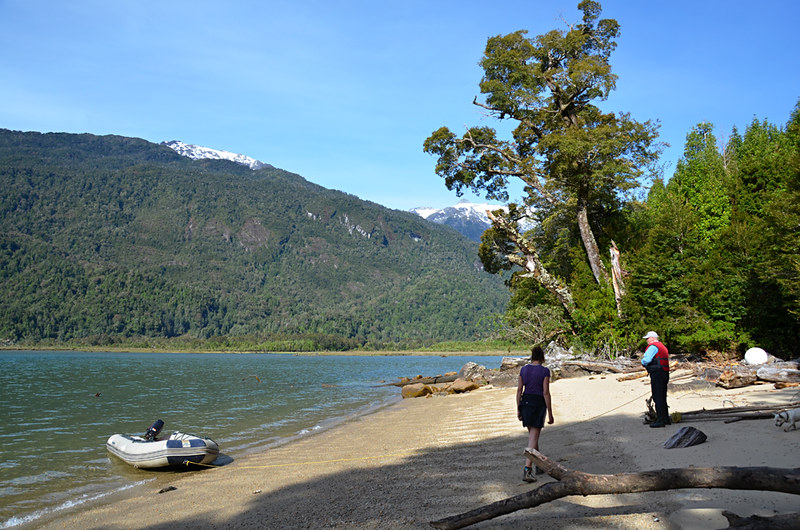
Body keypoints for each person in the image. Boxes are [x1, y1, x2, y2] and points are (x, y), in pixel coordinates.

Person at [516, 345, 554, 483]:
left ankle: (539, 465)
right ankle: (527, 469)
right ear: (542, 357)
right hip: (538, 403)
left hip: (525, 402)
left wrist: (518, 408)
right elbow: (545, 392)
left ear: (532, 356)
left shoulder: (523, 369)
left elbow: (519, 390)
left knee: (533, 436)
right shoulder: (544, 371)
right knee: (533, 437)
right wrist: (550, 412)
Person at [641, 331, 670, 428]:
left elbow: (647, 360)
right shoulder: (662, 346)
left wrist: (642, 362)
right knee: (662, 396)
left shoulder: (653, 347)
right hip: (664, 372)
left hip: (657, 373)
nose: (646, 340)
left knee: (657, 396)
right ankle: (665, 418)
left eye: (647, 338)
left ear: (652, 338)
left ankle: (661, 420)